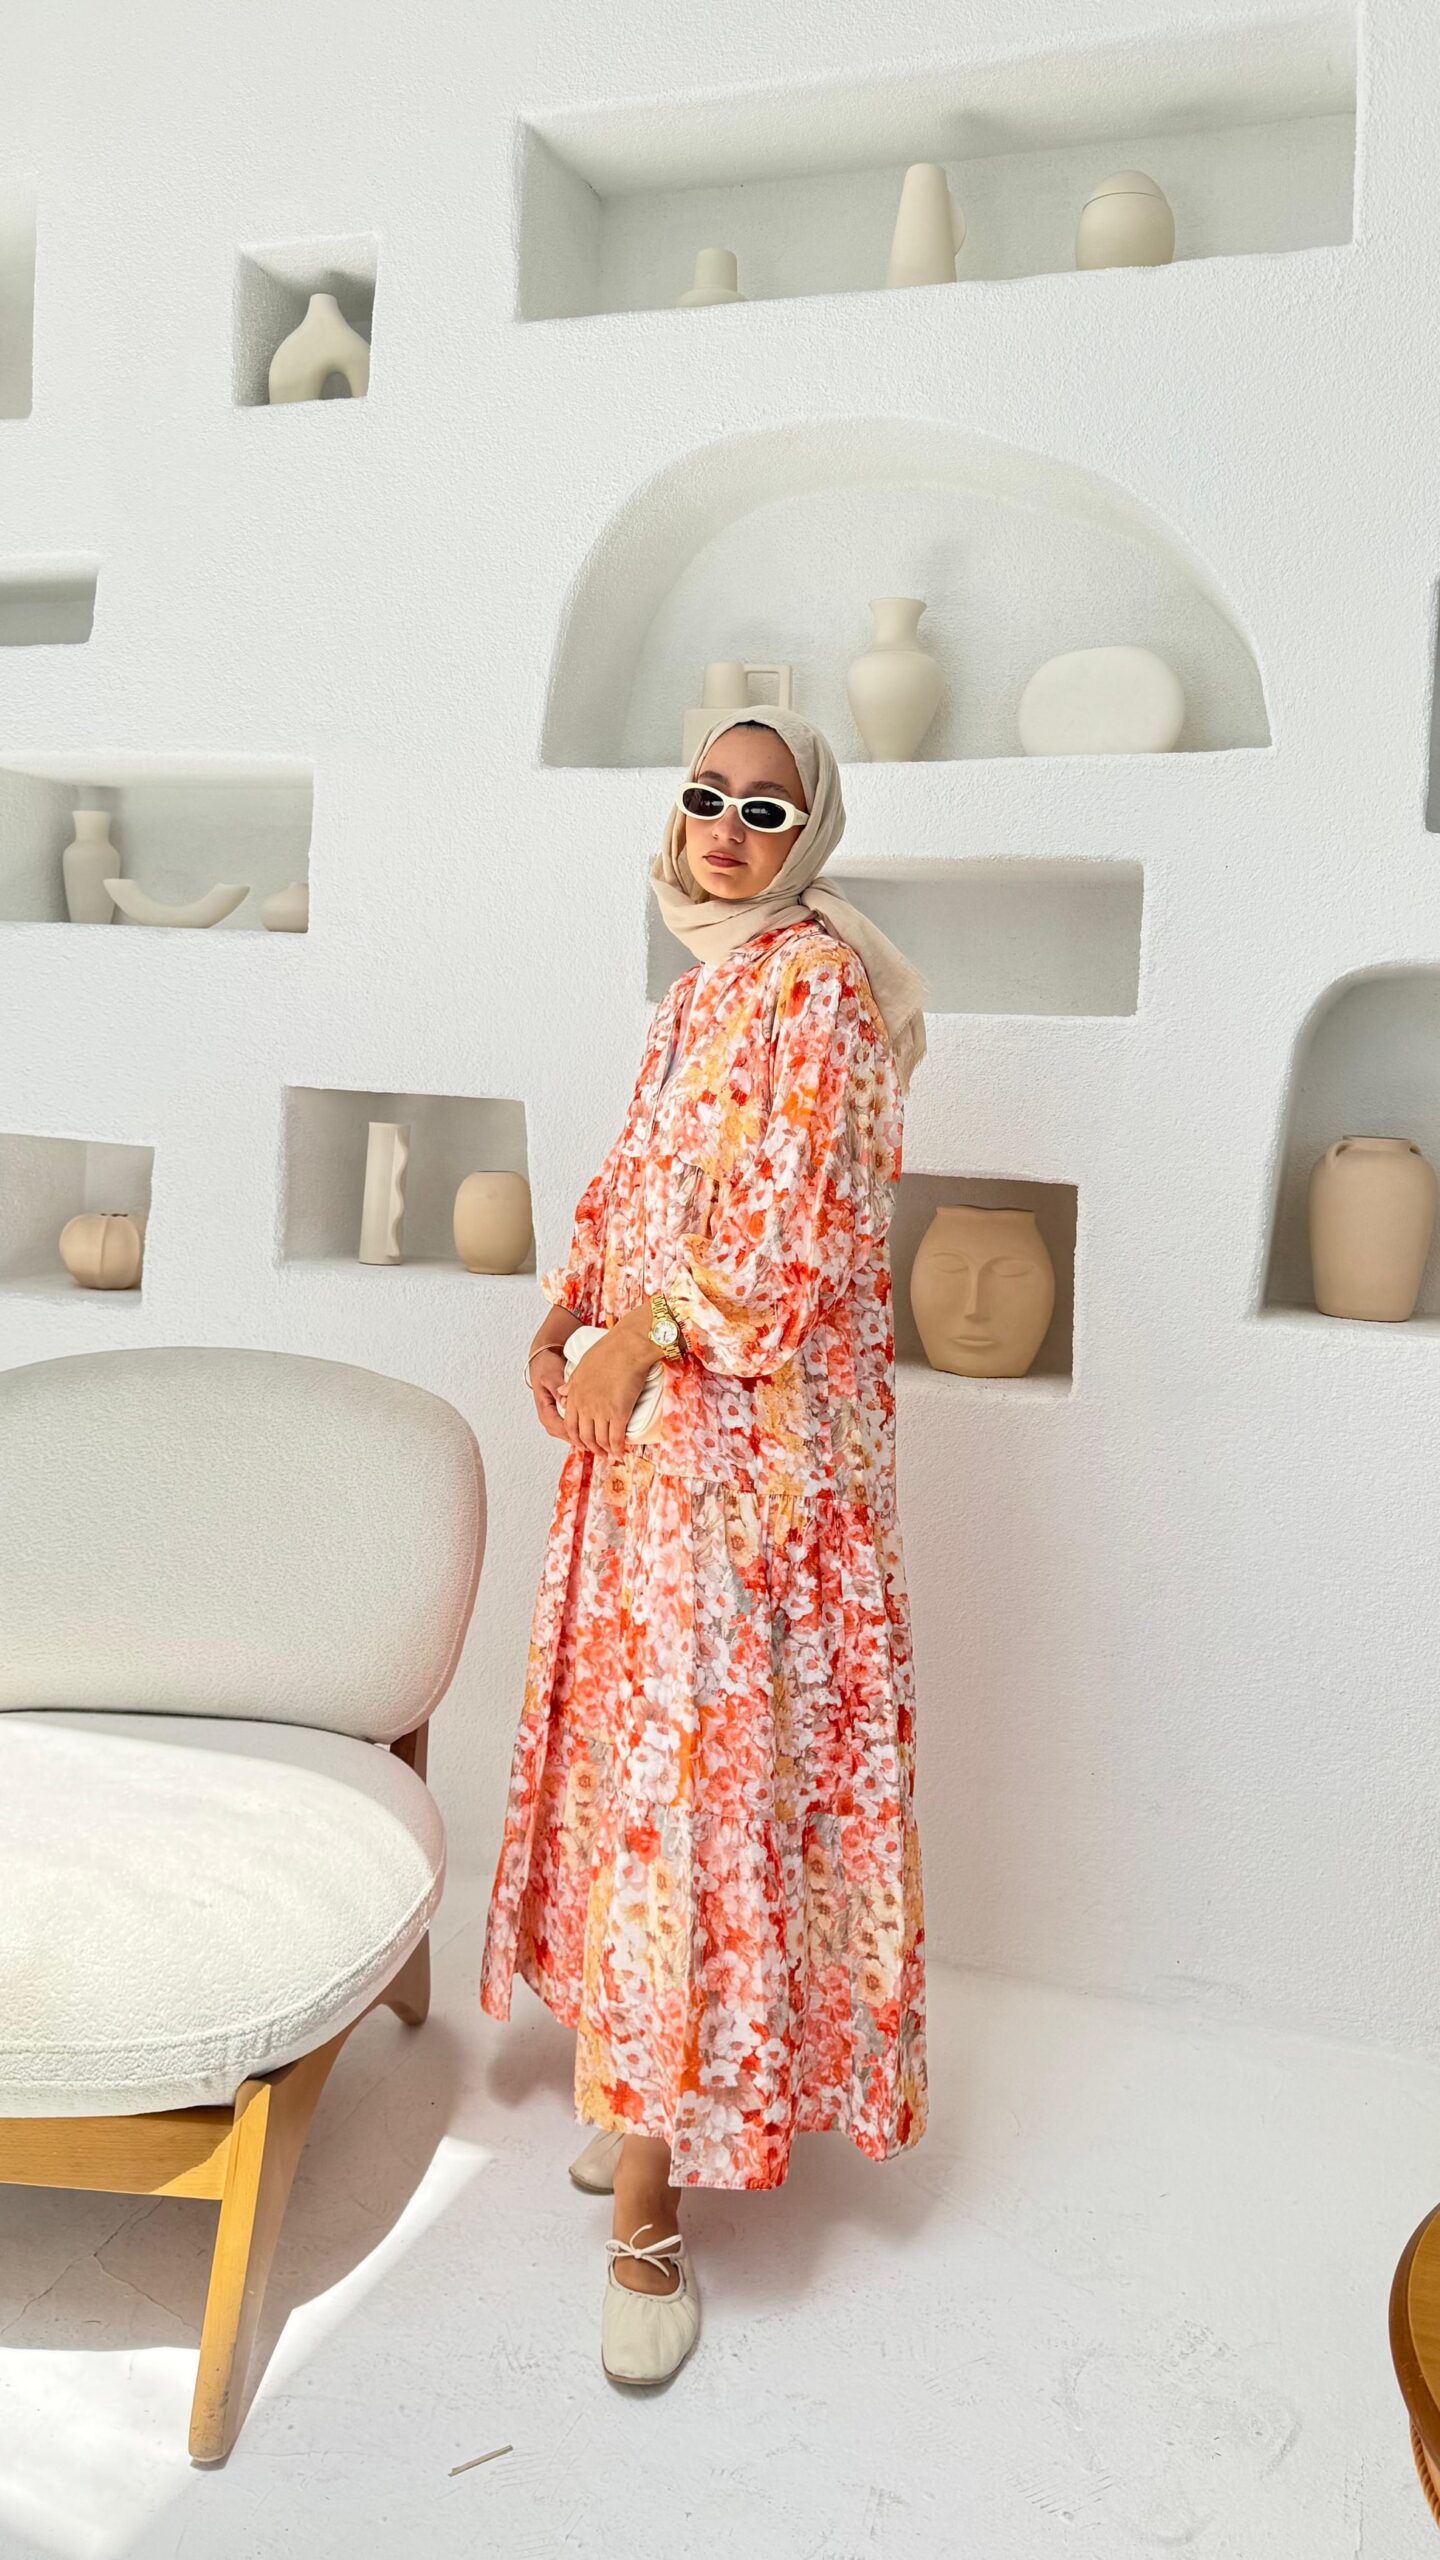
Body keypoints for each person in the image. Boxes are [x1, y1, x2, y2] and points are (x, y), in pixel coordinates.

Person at [478, 704, 931, 2387]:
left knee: (697, 1800)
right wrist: (568, 1314)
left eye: (767, 807)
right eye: (706, 798)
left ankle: (651, 2214)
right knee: (640, 1783)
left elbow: (794, 1235)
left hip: (749, 1480)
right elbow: (638, 1188)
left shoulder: (817, 984)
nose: (728, 829)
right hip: (649, 1458)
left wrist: (646, 1335)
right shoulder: (696, 994)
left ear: (811, 833)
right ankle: (650, 2079)